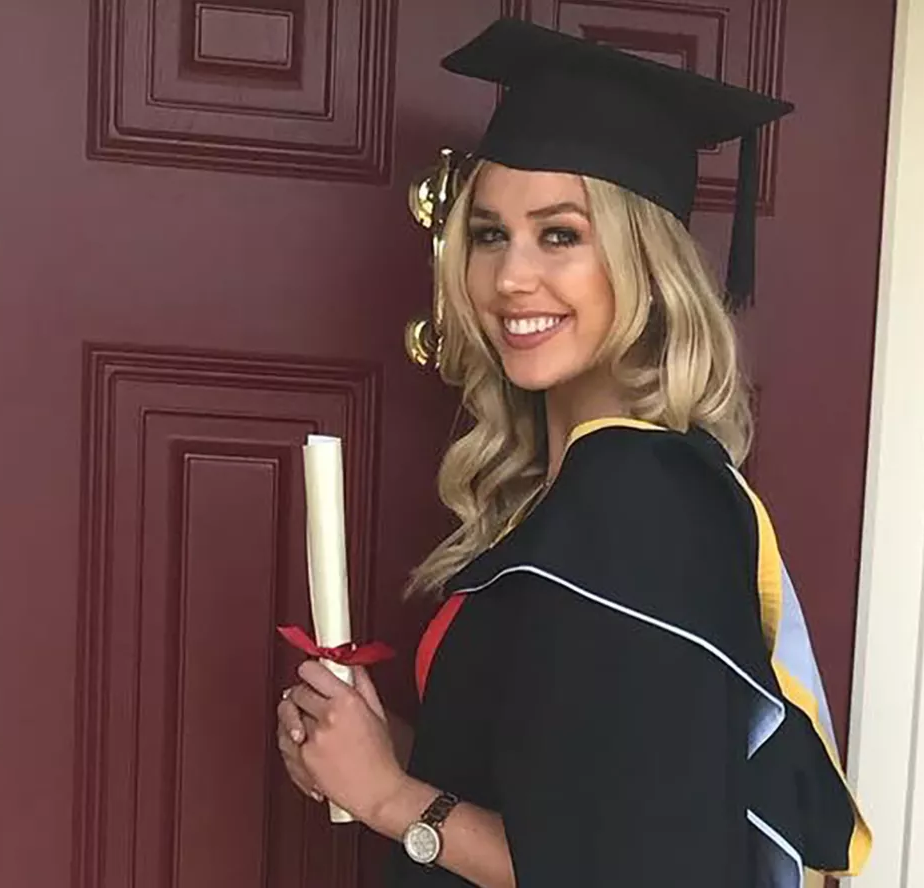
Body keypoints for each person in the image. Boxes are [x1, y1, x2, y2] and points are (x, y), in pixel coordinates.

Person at [275, 18, 871, 888]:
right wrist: (380, 752)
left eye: (560, 235)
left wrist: (389, 799)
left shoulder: (639, 503)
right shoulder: (585, 490)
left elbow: (626, 866)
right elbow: (570, 796)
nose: (512, 277)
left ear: (644, 263)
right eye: (487, 234)